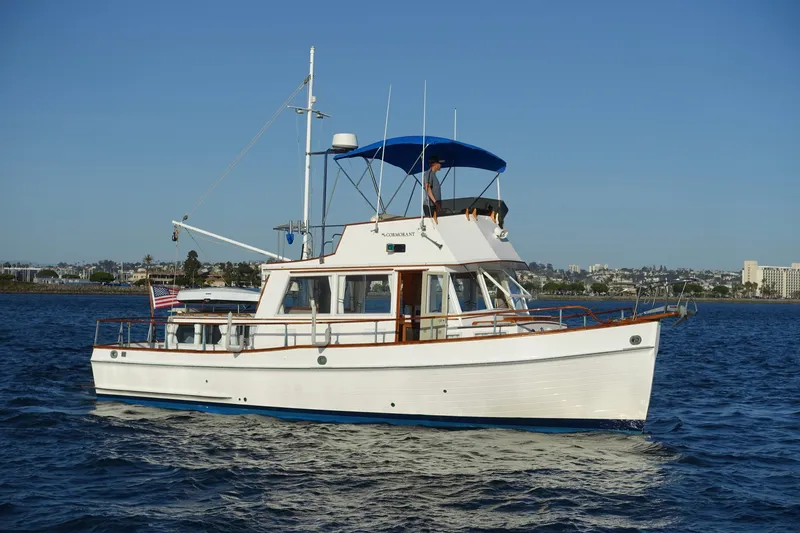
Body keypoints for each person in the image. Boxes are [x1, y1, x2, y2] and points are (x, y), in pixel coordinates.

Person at [423, 155, 443, 219]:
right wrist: (435, 202)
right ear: (435, 164)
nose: (441, 165)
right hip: (430, 205)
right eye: (439, 163)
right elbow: (428, 188)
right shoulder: (428, 174)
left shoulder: (433, 175)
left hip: (435, 205)